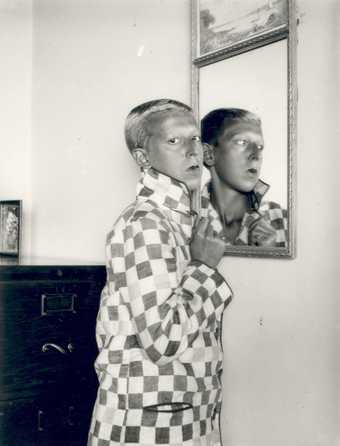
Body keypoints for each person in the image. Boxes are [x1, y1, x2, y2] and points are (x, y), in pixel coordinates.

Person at [88, 99, 233, 446]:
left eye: (195, 138)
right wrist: (203, 267)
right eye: (174, 141)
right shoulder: (146, 225)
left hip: (181, 414)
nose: (192, 150)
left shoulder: (179, 220)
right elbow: (163, 341)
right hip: (149, 424)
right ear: (142, 158)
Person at [201, 108, 288, 247]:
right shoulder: (184, 220)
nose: (256, 155)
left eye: (260, 147)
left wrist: (272, 253)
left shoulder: (284, 221)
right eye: (242, 142)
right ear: (208, 154)